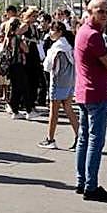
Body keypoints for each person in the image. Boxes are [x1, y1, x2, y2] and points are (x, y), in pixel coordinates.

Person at [74, 0, 107, 201]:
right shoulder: (93, 36)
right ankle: (90, 185)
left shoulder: (83, 32)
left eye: (106, 11)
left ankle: (81, 181)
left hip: (84, 91)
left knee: (84, 139)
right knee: (95, 140)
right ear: (89, 11)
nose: (104, 15)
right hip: (97, 93)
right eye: (100, 11)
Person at [40, 21, 78, 150]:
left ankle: (50, 139)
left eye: (52, 30)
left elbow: (48, 66)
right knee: (68, 108)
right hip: (69, 81)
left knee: (54, 111)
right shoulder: (69, 45)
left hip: (58, 81)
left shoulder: (57, 47)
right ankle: (80, 136)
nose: (50, 32)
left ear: (59, 32)